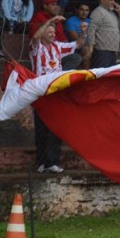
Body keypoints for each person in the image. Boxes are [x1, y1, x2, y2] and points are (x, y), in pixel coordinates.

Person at [31, 14, 86, 173]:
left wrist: (83, 32)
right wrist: (49, 21)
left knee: (55, 126)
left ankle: (52, 162)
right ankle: (41, 162)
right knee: (41, 128)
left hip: (56, 92)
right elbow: (35, 36)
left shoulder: (57, 46)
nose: (52, 34)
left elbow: (79, 44)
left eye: (53, 32)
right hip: (40, 91)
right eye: (49, 31)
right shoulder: (36, 47)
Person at [85, 0, 120, 68]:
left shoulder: (112, 13)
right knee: (102, 74)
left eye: (113, 0)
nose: (113, 3)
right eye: (110, 0)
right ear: (102, 0)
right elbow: (91, 30)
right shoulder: (98, 12)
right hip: (102, 51)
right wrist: (90, 48)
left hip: (112, 50)